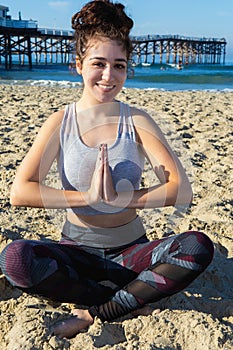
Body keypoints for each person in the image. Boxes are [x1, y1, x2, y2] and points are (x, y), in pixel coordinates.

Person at [0, 0, 214, 339]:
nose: (108, 76)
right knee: (15, 259)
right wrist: (86, 197)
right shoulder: (61, 122)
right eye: (98, 63)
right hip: (76, 254)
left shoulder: (137, 120)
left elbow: (179, 188)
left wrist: (122, 201)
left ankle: (94, 311)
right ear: (79, 65)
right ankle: (124, 300)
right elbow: (20, 191)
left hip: (130, 254)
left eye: (119, 65)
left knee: (197, 246)